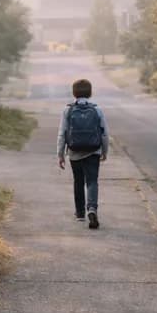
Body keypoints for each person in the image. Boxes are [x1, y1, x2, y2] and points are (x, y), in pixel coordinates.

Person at [57, 78, 109, 229]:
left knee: (78, 181)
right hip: (93, 151)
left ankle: (80, 213)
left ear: (74, 93)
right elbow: (105, 133)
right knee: (92, 181)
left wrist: (60, 154)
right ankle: (92, 209)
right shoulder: (97, 110)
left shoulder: (68, 110)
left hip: (74, 151)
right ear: (90, 93)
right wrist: (104, 151)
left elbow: (62, 134)